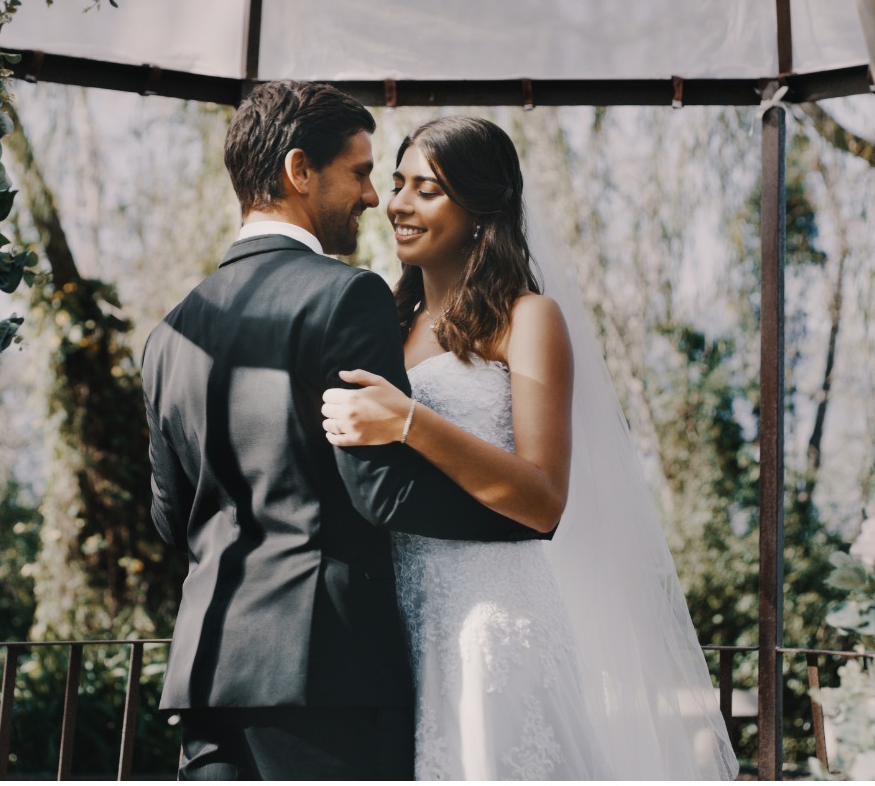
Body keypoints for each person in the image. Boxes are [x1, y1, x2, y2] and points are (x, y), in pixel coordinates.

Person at [141, 83, 547, 781]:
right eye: (361, 174)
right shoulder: (346, 295)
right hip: (325, 674)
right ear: (301, 171)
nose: (371, 199)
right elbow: (380, 493)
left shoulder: (170, 332)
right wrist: (525, 522)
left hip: (205, 676)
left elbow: (171, 517)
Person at [321, 116, 740, 780]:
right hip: (396, 624)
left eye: (426, 189)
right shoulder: (384, 323)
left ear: (482, 208)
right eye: (396, 183)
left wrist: (409, 422)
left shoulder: (527, 318)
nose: (397, 203)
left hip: (489, 621)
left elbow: (544, 500)